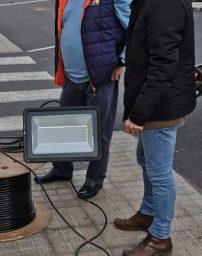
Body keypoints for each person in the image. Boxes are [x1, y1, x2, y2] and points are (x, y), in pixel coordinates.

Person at [115, 0, 196, 256]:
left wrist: (138, 114)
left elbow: (163, 65)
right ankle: (147, 213)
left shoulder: (164, 4)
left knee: (159, 173)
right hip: (155, 103)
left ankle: (160, 237)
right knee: (145, 161)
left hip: (160, 107)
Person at [35, 0, 130, 199]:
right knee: (65, 125)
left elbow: (135, 27)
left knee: (99, 131)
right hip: (72, 75)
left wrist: (123, 60)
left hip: (101, 76)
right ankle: (62, 169)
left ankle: (95, 178)